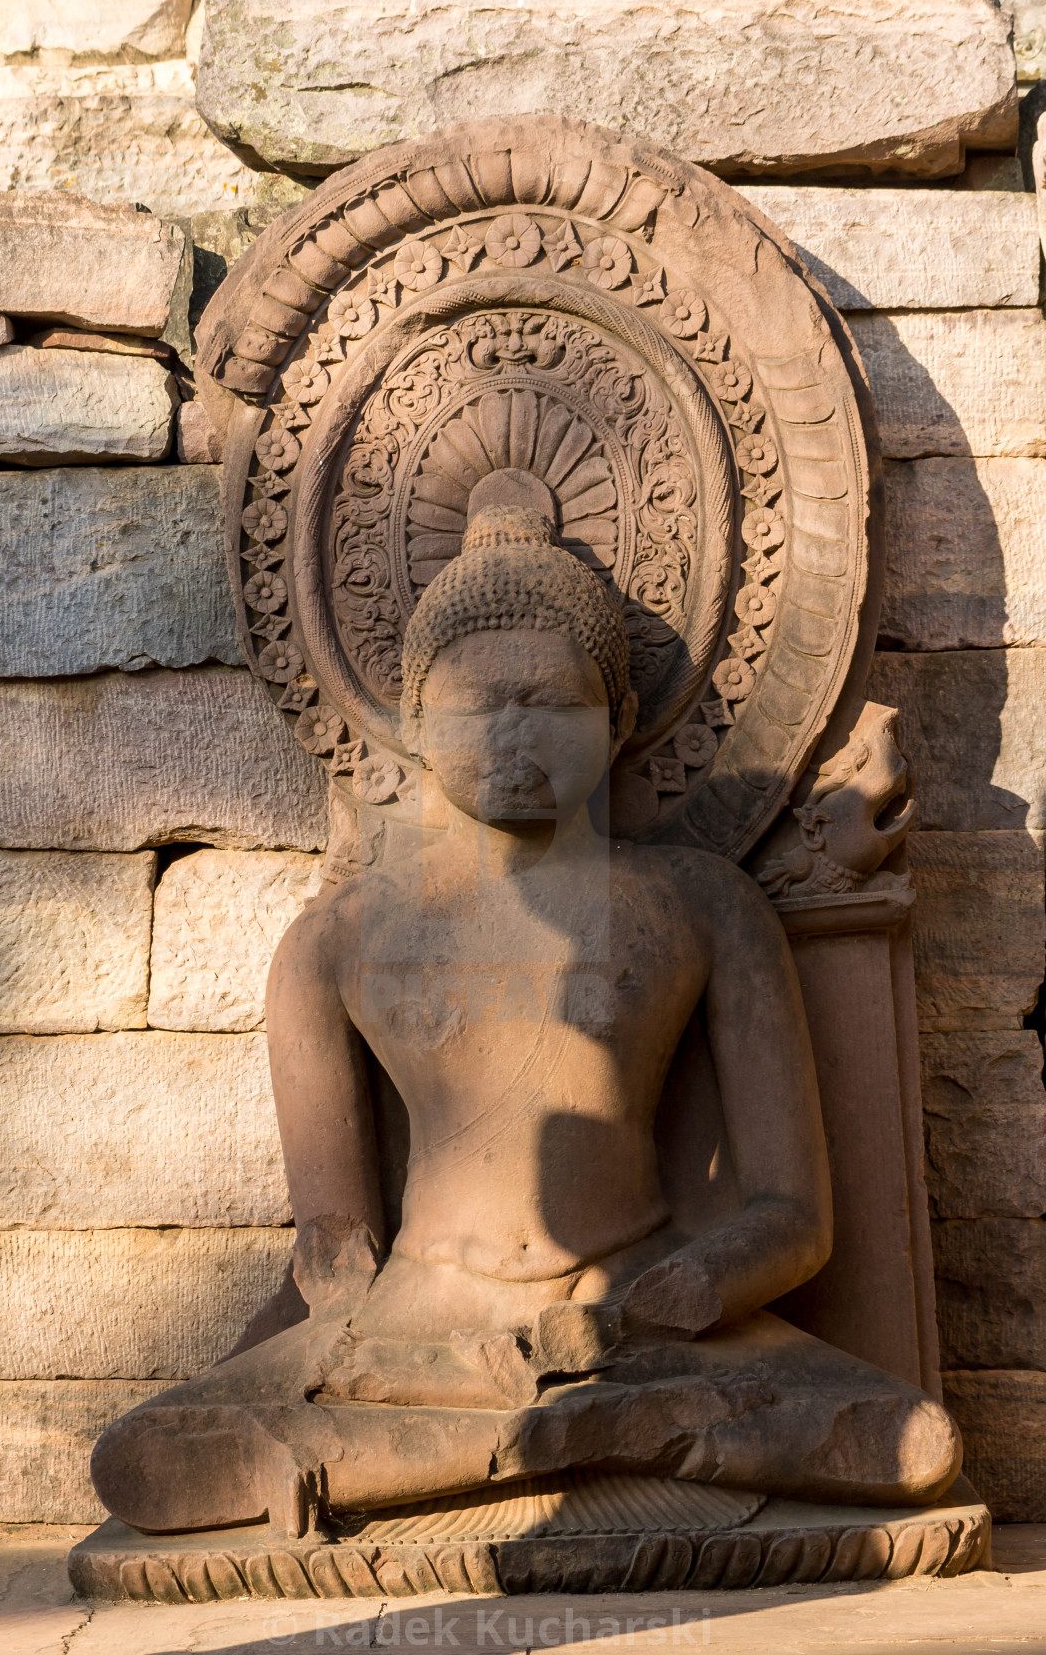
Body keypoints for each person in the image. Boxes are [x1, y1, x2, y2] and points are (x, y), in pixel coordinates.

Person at [91, 502, 959, 1537]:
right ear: (410, 722)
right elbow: (332, 1231)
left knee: (915, 1442)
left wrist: (670, 1299)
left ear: (621, 717)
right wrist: (342, 1299)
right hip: (424, 1329)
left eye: (550, 702)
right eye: (475, 704)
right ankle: (581, 1440)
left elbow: (794, 1219)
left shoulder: (700, 902)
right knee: (141, 1460)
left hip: (637, 1313)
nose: (512, 734)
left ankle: (470, 1456)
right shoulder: (335, 940)